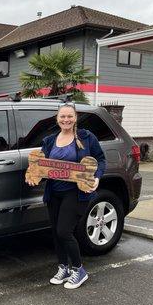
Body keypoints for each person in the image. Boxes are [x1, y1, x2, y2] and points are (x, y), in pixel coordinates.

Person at [26, 103, 106, 289]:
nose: (66, 120)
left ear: (75, 118)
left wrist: (97, 178)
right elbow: (41, 166)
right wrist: (34, 177)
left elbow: (100, 159)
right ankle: (64, 267)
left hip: (76, 193)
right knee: (56, 232)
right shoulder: (50, 140)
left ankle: (79, 270)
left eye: (69, 116)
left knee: (64, 231)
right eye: (62, 116)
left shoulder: (86, 137)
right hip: (54, 192)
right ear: (57, 118)